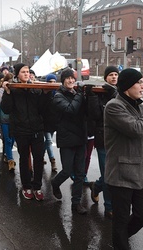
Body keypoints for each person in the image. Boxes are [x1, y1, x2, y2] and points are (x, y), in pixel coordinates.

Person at [104, 68, 143, 249]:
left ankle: (119, 238)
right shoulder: (114, 106)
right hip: (121, 173)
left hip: (142, 172)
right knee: (120, 219)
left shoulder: (140, 107)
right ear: (128, 86)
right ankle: (119, 242)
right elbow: (136, 129)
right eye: (140, 83)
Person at [0, 63, 48, 201]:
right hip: (21, 130)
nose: (26, 74)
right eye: (23, 72)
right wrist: (7, 93)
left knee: (38, 158)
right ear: (17, 74)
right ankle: (26, 186)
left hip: (37, 129)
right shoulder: (13, 90)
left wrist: (44, 94)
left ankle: (37, 186)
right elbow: (6, 109)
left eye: (27, 71)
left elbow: (42, 109)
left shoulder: (35, 89)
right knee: (24, 158)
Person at [51, 68, 88, 215]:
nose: (71, 81)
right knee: (67, 170)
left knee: (79, 173)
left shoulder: (77, 94)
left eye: (73, 78)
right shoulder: (58, 96)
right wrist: (80, 95)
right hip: (66, 138)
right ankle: (55, 182)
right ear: (63, 80)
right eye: (68, 78)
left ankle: (76, 203)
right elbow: (70, 110)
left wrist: (88, 96)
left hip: (80, 137)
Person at [87, 65, 119, 219]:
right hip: (103, 138)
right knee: (108, 174)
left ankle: (96, 186)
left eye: (116, 74)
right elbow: (96, 115)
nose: (114, 77)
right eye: (111, 74)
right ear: (105, 77)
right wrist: (92, 96)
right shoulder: (99, 93)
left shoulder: (121, 92)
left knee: (116, 172)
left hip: (119, 139)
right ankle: (109, 207)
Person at [0, 72, 16, 171]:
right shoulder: (1, 91)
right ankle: (10, 160)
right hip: (4, 119)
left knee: (12, 139)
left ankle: (7, 153)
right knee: (7, 139)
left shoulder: (16, 91)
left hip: (14, 119)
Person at [43, 73, 58, 172]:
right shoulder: (43, 93)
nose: (52, 84)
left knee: (48, 141)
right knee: (48, 141)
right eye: (50, 82)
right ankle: (53, 161)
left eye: (54, 82)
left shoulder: (58, 94)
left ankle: (41, 155)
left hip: (54, 122)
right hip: (45, 121)